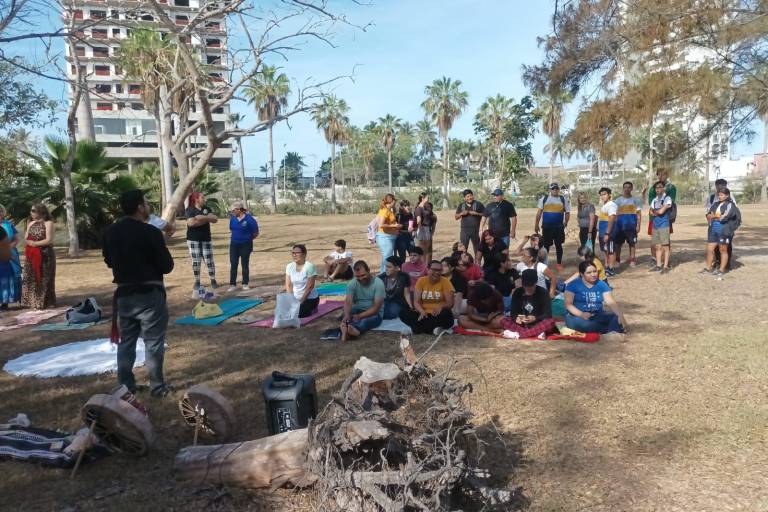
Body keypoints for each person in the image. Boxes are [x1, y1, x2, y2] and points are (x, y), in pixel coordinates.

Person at [103, 190, 175, 397]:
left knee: (127, 341)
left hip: (125, 293)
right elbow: (167, 265)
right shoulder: (150, 232)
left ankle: (126, 385)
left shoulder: (110, 232)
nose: (148, 206)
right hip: (149, 293)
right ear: (139, 207)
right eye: (146, 202)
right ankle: (157, 386)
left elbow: (109, 261)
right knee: (153, 341)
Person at [564, 261, 627, 334]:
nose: (593, 274)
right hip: (577, 317)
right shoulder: (573, 285)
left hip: (597, 315)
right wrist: (581, 314)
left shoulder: (601, 284)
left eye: (595, 271)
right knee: (587, 325)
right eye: (589, 273)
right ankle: (612, 329)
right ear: (582, 274)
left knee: (614, 317)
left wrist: (620, 317)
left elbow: (610, 302)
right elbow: (568, 305)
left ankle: (611, 331)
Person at [399, 260, 455, 335]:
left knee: (447, 314)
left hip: (437, 314)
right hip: (423, 314)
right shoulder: (421, 281)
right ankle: (433, 329)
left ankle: (416, 329)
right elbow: (416, 301)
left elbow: (450, 303)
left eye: (439, 270)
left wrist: (441, 306)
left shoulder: (446, 282)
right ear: (428, 270)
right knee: (403, 312)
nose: (437, 272)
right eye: (434, 270)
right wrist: (421, 311)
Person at [500, 269, 557, 338]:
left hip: (537, 323)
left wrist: (535, 318)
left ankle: (519, 334)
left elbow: (548, 314)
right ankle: (534, 333)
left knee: (550, 322)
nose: (528, 288)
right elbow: (513, 313)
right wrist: (518, 319)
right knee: (503, 320)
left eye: (530, 286)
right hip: (522, 324)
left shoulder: (543, 293)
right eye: (525, 286)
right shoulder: (517, 292)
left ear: (535, 282)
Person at [21, 203, 56, 309]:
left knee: (44, 278)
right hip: (32, 254)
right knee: (31, 278)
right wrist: (29, 243)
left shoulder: (48, 223)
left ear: (41, 212)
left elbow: (49, 240)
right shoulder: (30, 223)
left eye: (33, 210)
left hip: (45, 254)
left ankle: (45, 302)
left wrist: (35, 244)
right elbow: (26, 237)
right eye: (31, 210)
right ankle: (33, 302)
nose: (31, 213)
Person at [702, 187, 741, 278]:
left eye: (722, 195)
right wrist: (711, 216)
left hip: (724, 230)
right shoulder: (715, 204)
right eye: (719, 195)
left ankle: (721, 270)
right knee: (710, 249)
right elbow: (708, 214)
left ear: (727, 195)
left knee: (723, 250)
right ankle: (708, 268)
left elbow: (724, 217)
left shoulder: (730, 205)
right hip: (713, 229)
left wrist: (713, 216)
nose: (720, 196)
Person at [341, 260, 385, 342]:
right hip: (357, 309)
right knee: (346, 314)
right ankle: (348, 329)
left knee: (365, 321)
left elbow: (376, 308)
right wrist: (347, 314)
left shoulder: (378, 283)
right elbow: (348, 302)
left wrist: (360, 316)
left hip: (374, 313)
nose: (361, 278)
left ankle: (353, 330)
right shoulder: (352, 283)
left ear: (369, 271)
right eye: (357, 276)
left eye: (363, 275)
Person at [185, 192, 218, 298]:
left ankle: (213, 279)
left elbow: (215, 219)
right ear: (196, 199)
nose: (204, 199)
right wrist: (207, 218)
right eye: (202, 197)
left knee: (209, 261)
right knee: (196, 261)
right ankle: (197, 281)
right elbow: (191, 223)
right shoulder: (190, 210)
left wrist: (201, 218)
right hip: (193, 240)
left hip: (206, 239)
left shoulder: (207, 208)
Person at [643, 169, 677, 267]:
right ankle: (654, 259)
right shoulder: (653, 188)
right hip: (654, 219)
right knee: (654, 240)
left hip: (665, 217)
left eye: (664, 174)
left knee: (666, 240)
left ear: (667, 175)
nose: (661, 176)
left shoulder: (671, 187)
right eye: (659, 174)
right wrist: (655, 211)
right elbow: (651, 203)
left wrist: (658, 211)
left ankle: (665, 262)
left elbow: (670, 202)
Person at [534, 183, 571, 270]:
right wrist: (536, 225)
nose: (555, 190)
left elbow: (567, 212)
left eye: (556, 188)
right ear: (550, 190)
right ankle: (544, 264)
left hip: (559, 227)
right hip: (547, 227)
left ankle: (558, 264)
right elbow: (539, 213)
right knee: (546, 246)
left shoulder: (563, 199)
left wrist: (565, 222)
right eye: (553, 189)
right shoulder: (544, 199)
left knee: (558, 245)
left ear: (558, 190)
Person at [227, 201, 258, 292]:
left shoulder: (250, 219)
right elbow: (232, 229)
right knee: (233, 264)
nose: (232, 212)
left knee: (244, 264)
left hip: (246, 245)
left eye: (234, 210)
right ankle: (232, 284)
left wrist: (248, 239)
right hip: (234, 245)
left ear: (239, 209)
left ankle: (245, 283)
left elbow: (255, 233)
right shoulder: (232, 219)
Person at [705, 179, 735, 270]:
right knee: (713, 247)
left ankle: (726, 265)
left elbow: (728, 215)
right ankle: (717, 262)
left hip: (725, 227)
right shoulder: (711, 198)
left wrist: (714, 216)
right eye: (718, 186)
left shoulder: (730, 199)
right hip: (713, 227)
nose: (720, 188)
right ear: (716, 186)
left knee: (725, 247)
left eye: (723, 186)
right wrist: (710, 220)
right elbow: (708, 212)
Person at [285, 244, 320, 318]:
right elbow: (288, 285)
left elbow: (310, 287)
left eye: (297, 253)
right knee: (284, 312)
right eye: (293, 253)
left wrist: (300, 302)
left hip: (309, 298)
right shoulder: (289, 266)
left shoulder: (309, 266)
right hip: (295, 297)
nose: (294, 255)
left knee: (298, 314)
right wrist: (291, 299)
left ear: (304, 254)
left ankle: (313, 308)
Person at [614, 182, 643, 268]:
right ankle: (617, 260)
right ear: (623, 189)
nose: (627, 189)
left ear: (631, 188)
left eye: (629, 187)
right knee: (618, 244)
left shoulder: (635, 200)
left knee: (632, 243)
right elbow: (614, 214)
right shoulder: (618, 201)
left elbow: (638, 214)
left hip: (631, 226)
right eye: (625, 187)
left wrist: (638, 225)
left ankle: (632, 260)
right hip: (620, 227)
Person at [648, 181, 673, 273]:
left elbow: (661, 211)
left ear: (663, 188)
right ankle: (658, 265)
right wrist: (657, 211)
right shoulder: (654, 200)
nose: (658, 189)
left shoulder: (667, 198)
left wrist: (656, 211)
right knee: (658, 246)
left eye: (660, 187)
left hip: (664, 225)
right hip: (655, 225)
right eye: (656, 188)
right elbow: (650, 211)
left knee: (665, 246)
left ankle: (665, 266)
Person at [0, 205, 21, 309]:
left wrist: (8, 247)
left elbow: (17, 239)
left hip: (10, 252)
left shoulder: (8, 225)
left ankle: (7, 300)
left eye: (0, 212)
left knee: (9, 275)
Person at [375, 193, 401, 274]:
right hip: (385, 237)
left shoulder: (388, 210)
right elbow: (381, 224)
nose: (395, 203)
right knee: (387, 257)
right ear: (391, 201)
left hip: (389, 236)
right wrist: (394, 225)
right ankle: (383, 274)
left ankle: (385, 273)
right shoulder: (385, 210)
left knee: (387, 256)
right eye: (394, 201)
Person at [455, 189, 485, 254]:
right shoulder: (461, 205)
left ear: (473, 196)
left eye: (470, 196)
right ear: (464, 198)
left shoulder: (478, 204)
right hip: (464, 231)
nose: (469, 198)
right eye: (467, 196)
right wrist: (461, 213)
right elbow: (456, 217)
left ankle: (477, 264)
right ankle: (463, 263)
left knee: (477, 248)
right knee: (463, 248)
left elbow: (485, 214)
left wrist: (476, 213)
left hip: (475, 230)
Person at [597, 187, 618, 277]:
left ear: (609, 195)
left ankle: (611, 269)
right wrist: (599, 232)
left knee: (611, 250)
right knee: (605, 250)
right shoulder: (604, 206)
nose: (603, 196)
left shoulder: (611, 205)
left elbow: (612, 218)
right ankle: (607, 266)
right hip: (602, 232)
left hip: (609, 233)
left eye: (604, 194)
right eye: (601, 195)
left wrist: (607, 233)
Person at [414, 194, 437, 263]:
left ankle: (426, 265)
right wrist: (420, 229)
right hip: (423, 229)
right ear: (422, 198)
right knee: (423, 250)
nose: (428, 199)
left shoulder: (424, 208)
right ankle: (422, 265)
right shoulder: (419, 208)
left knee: (426, 250)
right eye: (427, 198)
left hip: (426, 229)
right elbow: (418, 220)